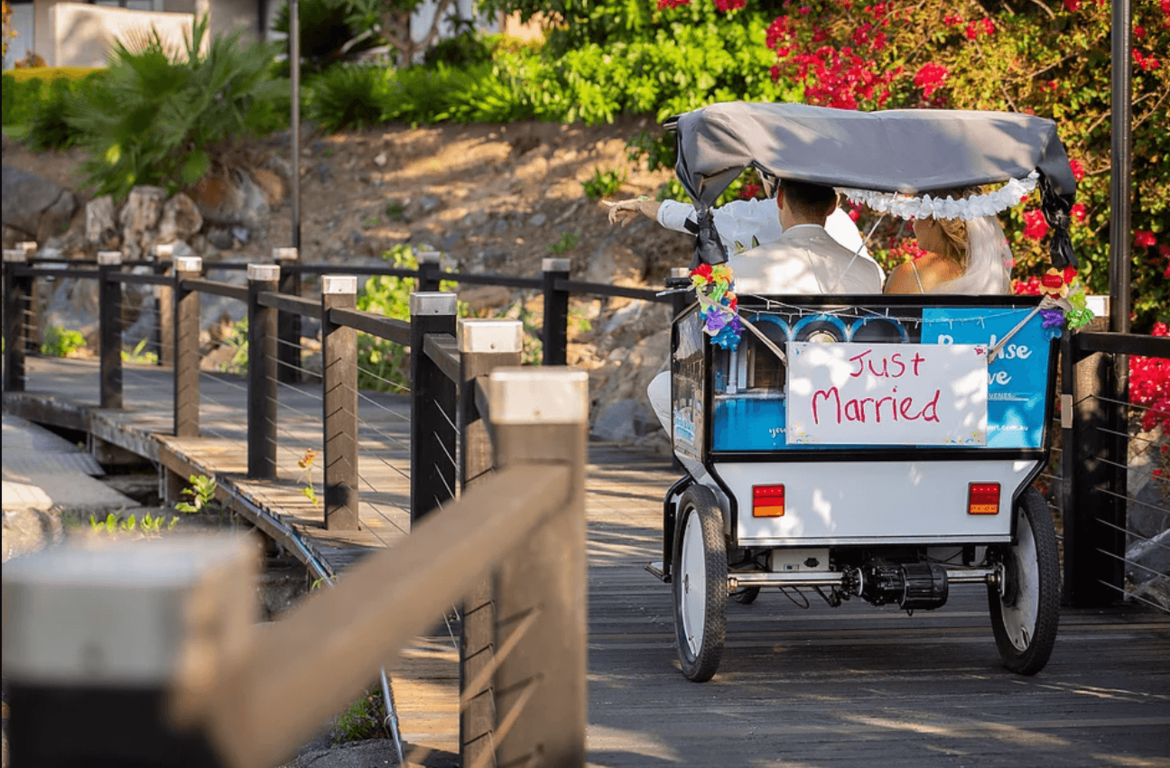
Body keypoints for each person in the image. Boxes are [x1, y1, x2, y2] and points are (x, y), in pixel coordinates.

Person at [645, 179, 884, 435]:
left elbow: (712, 343)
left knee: (661, 388)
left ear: (779, 200)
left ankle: (707, 475)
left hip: (763, 403)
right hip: (847, 399)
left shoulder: (738, 269)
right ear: (832, 206)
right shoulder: (869, 272)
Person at [606, 188, 880, 274]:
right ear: (833, 204)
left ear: (781, 197)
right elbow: (873, 275)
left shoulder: (753, 216)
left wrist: (641, 204)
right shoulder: (844, 224)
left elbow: (694, 219)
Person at [885, 188, 1013, 295]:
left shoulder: (908, 275)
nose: (914, 226)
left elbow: (890, 324)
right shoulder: (994, 276)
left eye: (917, 216)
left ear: (931, 219)